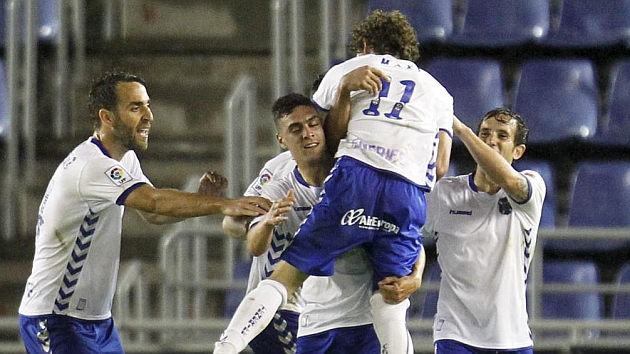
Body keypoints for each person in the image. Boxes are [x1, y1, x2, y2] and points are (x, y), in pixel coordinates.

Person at [214, 9, 453, 354]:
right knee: (391, 301)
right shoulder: (438, 91)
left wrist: (344, 91)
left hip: (355, 180)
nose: (311, 133)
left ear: (366, 46)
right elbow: (441, 166)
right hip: (409, 192)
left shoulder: (347, 70)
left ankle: (226, 347)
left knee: (284, 278)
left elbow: (332, 133)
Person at [17, 70, 271, 354]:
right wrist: (225, 204)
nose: (149, 115)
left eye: (147, 105)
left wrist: (200, 201)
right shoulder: (91, 165)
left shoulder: (124, 158)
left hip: (96, 321)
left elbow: (153, 215)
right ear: (107, 117)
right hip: (57, 318)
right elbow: (153, 202)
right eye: (136, 107)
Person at [424, 109, 545, 354]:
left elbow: (510, 183)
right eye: (485, 134)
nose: (491, 140)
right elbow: (404, 231)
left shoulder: (532, 185)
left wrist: (462, 131)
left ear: (518, 151)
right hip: (455, 335)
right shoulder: (443, 193)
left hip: (512, 337)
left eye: (502, 136)